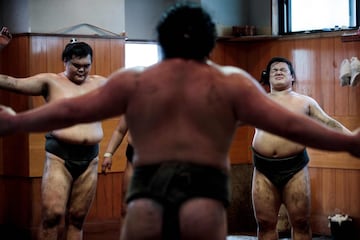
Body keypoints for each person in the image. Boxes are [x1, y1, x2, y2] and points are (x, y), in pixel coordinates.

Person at [0, 2, 359, 240]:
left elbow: (72, 110)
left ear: (163, 41)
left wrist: (16, 122)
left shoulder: (137, 80)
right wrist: (347, 142)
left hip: (149, 190)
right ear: (208, 44)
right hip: (203, 188)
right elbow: (291, 125)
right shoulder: (230, 81)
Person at [0, 40, 107, 240]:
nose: (82, 70)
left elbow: (132, 88)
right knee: (51, 216)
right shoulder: (50, 82)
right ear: (65, 61)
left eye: (86, 66)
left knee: (77, 218)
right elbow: (10, 82)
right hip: (60, 156)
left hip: (90, 158)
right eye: (76, 66)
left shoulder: (100, 83)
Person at [252, 56, 352, 240]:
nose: (279, 72)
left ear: (292, 78)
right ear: (268, 77)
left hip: (295, 169)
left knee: (301, 223)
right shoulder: (256, 101)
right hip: (263, 170)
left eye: (283, 69)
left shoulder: (305, 102)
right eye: (274, 70)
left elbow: (328, 123)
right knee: (264, 224)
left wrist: (353, 140)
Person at [101, 115, 134, 218]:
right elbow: (120, 130)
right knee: (126, 208)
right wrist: (108, 154)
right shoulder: (132, 101)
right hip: (134, 161)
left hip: (162, 163)